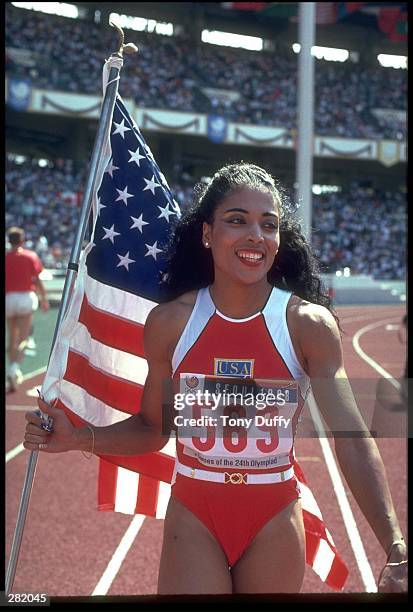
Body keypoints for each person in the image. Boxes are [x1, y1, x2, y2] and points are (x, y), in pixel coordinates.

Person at [24, 164, 407, 593]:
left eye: (269, 225)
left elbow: (351, 436)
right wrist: (78, 437)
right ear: (207, 233)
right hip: (194, 516)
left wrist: (396, 548)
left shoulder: (307, 325)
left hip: (274, 519)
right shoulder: (171, 323)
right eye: (237, 220)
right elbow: (153, 429)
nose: (255, 236)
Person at [6, 226, 49, 391]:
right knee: (23, 338)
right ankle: (14, 368)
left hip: (8, 298)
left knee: (12, 338)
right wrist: (43, 299)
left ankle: (11, 370)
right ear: (22, 240)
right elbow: (37, 280)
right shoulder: (30, 256)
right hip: (25, 297)